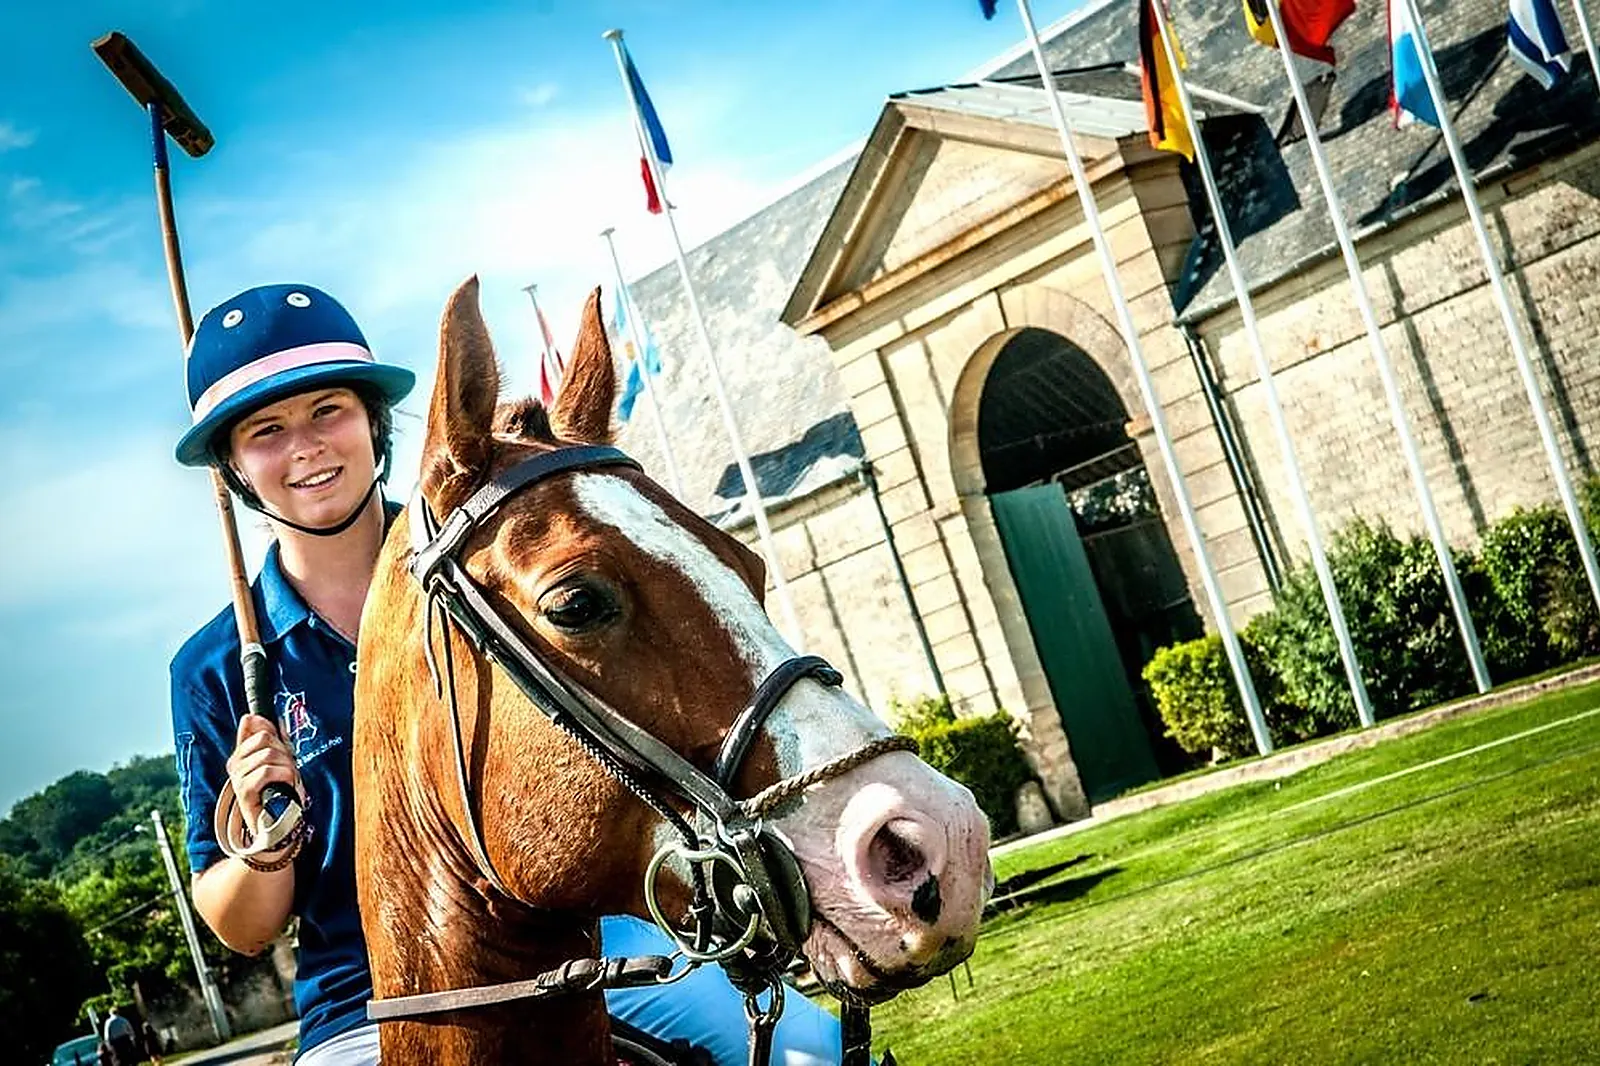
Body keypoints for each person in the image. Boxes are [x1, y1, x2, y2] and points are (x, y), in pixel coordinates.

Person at [169, 284, 843, 1065]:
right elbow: (240, 926)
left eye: (329, 410)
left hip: (593, 941)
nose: (307, 446)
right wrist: (265, 845)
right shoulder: (216, 669)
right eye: (266, 430)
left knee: (810, 1050)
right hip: (366, 1000)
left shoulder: (495, 568)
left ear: (374, 422)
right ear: (233, 467)